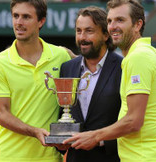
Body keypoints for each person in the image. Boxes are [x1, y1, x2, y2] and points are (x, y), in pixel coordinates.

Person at [63, 0, 156, 161]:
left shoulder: (138, 57)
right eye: (110, 21)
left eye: (120, 20)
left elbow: (133, 121)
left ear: (138, 25)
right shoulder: (145, 53)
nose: (113, 26)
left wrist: (94, 136)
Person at [0, 0, 71, 161]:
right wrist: (34, 131)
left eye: (26, 17)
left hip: (49, 158)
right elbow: (2, 113)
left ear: (41, 21)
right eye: (15, 16)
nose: (19, 22)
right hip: (10, 156)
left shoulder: (61, 56)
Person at [60, 6, 122, 162]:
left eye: (89, 31)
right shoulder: (67, 68)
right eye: (78, 31)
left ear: (106, 34)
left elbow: (131, 123)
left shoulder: (123, 67)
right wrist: (59, 142)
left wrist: (99, 140)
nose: (82, 37)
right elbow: (62, 114)